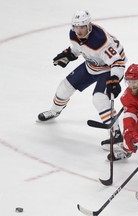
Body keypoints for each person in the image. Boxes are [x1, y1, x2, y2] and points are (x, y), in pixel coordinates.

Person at [37, 10, 127, 149]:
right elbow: (78, 48)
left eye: (82, 27)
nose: (78, 30)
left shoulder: (101, 40)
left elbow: (118, 62)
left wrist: (114, 79)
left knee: (99, 99)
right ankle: (54, 111)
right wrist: (68, 55)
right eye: (76, 27)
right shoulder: (73, 33)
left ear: (89, 26)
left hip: (108, 68)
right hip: (91, 65)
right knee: (64, 87)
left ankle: (116, 135)